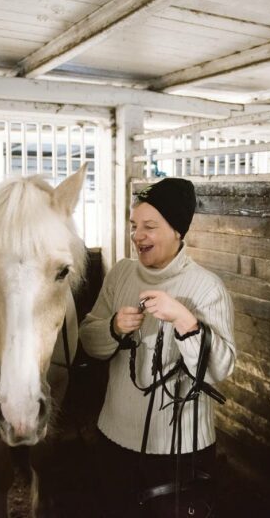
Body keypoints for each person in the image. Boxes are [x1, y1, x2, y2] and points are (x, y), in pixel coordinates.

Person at [79, 177, 235, 517]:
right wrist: (114, 328)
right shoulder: (120, 274)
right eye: (134, 226)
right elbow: (89, 341)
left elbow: (220, 370)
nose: (137, 236)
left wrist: (185, 322)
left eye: (149, 226)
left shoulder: (207, 288)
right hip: (114, 438)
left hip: (179, 452)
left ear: (178, 231)